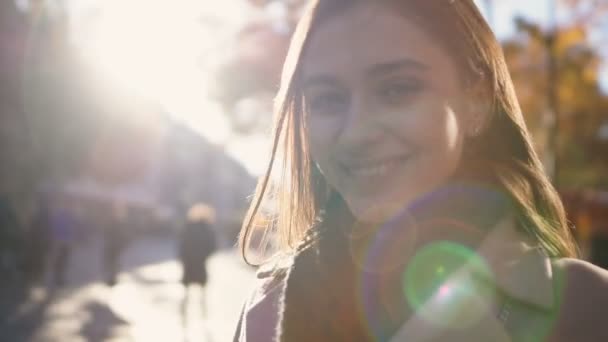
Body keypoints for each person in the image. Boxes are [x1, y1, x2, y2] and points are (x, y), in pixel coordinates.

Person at [233, 1, 608, 341]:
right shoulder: (263, 314)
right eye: (328, 99)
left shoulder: (585, 307)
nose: (357, 132)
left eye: (397, 90)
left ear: (476, 100)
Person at [178, 204, 217, 329]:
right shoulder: (207, 229)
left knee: (186, 292)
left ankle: (184, 317)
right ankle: (204, 318)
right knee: (202, 292)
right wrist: (204, 256)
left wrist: (184, 258)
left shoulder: (188, 227)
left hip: (189, 263)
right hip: (200, 263)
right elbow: (213, 246)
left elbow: (182, 245)